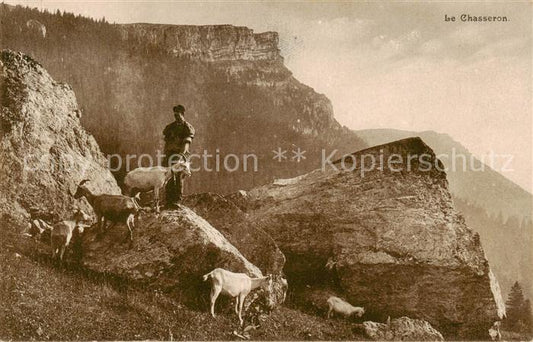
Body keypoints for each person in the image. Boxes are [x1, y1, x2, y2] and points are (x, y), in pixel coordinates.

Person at [163, 104, 195, 207]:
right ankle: (168, 200)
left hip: (180, 154)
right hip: (169, 154)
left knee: (179, 176)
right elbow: (166, 140)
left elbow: (187, 143)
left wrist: (181, 155)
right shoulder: (170, 127)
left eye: (178, 115)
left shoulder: (187, 127)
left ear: (183, 114)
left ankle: (176, 200)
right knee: (167, 176)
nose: (176, 117)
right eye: (175, 115)